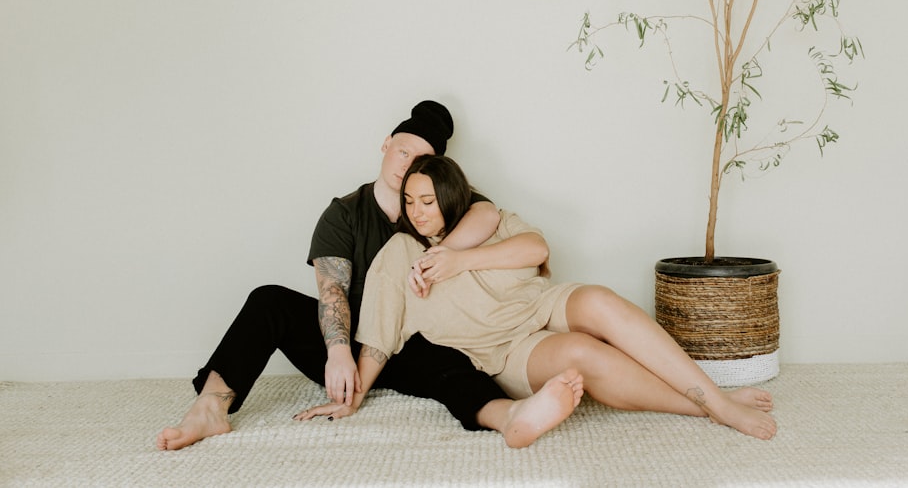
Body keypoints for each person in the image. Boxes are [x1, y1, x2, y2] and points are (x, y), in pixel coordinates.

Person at [156, 101, 583, 451]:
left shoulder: (449, 204)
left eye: (421, 160)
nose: (407, 165)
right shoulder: (345, 213)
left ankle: (509, 416)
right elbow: (331, 288)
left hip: (417, 338)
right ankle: (211, 407)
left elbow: (488, 214)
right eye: (402, 151)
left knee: (451, 358)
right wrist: (339, 351)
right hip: (349, 345)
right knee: (268, 299)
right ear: (385, 144)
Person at [295, 155, 777, 441]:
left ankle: (715, 395)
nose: (417, 213)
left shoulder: (488, 221)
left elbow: (537, 249)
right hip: (501, 349)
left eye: (427, 201)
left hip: (539, 304)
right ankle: (708, 406)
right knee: (584, 355)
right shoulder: (399, 252)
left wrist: (457, 259)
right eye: (409, 202)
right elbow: (378, 336)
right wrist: (352, 398)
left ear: (449, 196)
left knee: (600, 300)